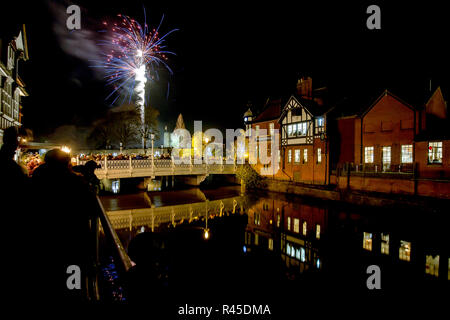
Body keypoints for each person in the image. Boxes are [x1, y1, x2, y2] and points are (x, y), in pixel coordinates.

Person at [31, 148, 101, 302]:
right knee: (73, 283)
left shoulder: (37, 180)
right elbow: (91, 210)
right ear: (67, 163)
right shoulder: (76, 182)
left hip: (45, 244)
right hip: (72, 244)